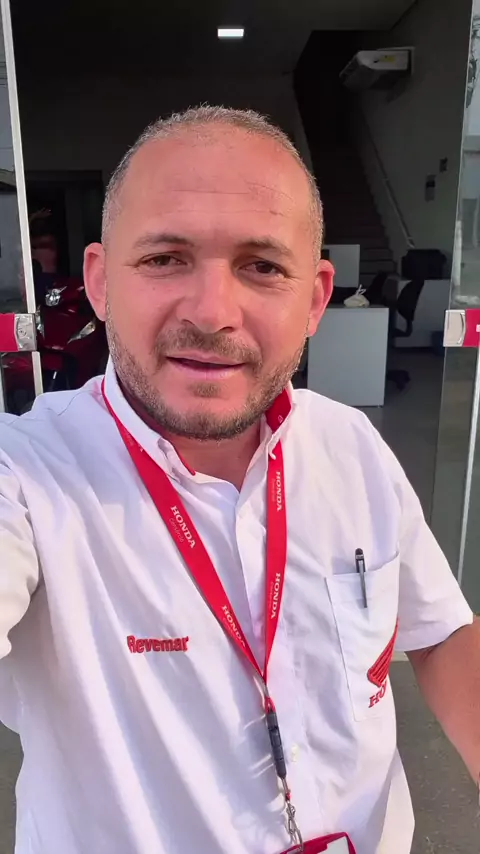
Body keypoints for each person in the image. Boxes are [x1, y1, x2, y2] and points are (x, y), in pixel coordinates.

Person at [0, 106, 477, 854]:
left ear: (314, 298)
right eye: (166, 258)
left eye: (262, 266)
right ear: (98, 281)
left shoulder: (349, 443)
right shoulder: (27, 475)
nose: (213, 313)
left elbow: (441, 631)